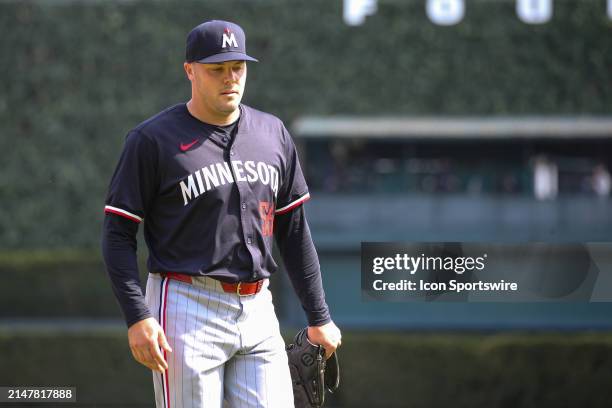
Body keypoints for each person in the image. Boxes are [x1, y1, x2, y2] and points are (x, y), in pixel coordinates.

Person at [101, 19, 341, 408]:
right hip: (184, 305)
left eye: (238, 67)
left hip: (258, 307)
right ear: (189, 71)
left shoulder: (273, 133)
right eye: (216, 69)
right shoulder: (152, 140)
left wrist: (320, 316)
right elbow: (117, 235)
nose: (230, 78)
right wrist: (137, 316)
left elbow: (294, 232)